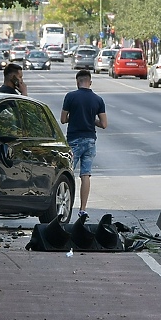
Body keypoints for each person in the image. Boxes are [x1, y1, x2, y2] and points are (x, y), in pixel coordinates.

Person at [60, 70, 107, 218]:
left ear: (77, 82)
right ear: (90, 82)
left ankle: (65, 205)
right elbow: (104, 124)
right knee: (85, 174)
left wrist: (75, 116)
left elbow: (63, 119)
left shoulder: (70, 96)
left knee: (68, 173)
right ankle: (83, 209)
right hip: (90, 140)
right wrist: (90, 119)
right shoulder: (98, 100)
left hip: (74, 140)